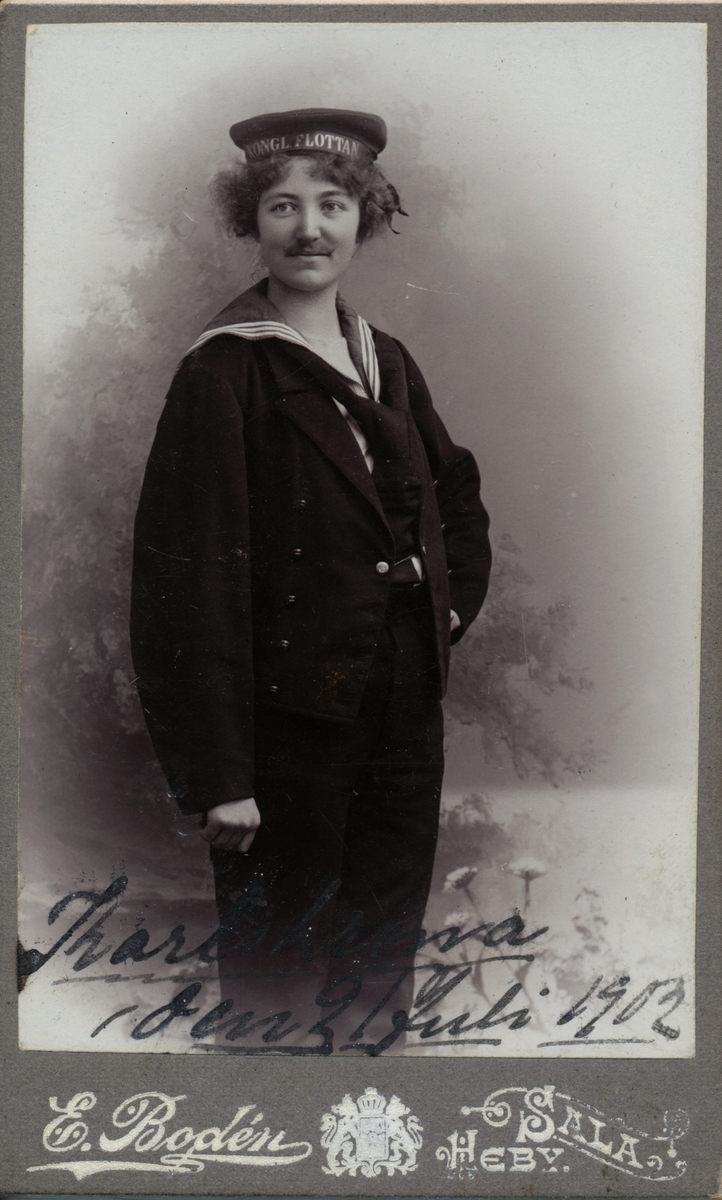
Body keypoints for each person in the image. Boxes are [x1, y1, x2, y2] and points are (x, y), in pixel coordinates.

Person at [130, 108, 492, 1053]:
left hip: (401, 705)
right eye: (283, 206)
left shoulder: (388, 360)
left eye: (332, 204)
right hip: (285, 725)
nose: (309, 228)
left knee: (379, 952)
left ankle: (363, 1118)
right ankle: (270, 1123)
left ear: (363, 218)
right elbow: (182, 587)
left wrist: (444, 611)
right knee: (278, 974)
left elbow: (455, 493)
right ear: (251, 221)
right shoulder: (224, 371)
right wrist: (220, 777)